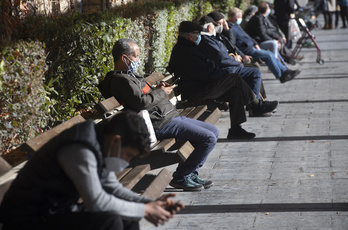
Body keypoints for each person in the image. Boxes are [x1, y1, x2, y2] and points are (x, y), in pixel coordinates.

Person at [0, 111, 184, 230]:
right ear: (116, 141)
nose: (127, 161)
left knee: (127, 219)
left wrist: (150, 204)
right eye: (129, 155)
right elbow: (97, 201)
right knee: (108, 221)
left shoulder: (99, 141)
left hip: (53, 211)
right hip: (27, 219)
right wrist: (145, 209)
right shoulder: (80, 148)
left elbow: (112, 186)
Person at [98, 38, 218, 191]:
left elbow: (143, 96)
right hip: (160, 124)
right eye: (136, 56)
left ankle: (191, 173)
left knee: (213, 131)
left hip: (168, 116)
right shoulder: (120, 80)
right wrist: (161, 92)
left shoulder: (128, 76)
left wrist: (157, 88)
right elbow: (141, 103)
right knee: (208, 138)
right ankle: (182, 176)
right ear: (124, 58)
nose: (139, 60)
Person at [168, 21, 278, 139]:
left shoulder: (189, 48)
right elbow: (207, 74)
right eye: (197, 33)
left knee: (235, 91)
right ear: (189, 36)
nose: (199, 36)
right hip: (196, 92)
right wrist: (224, 74)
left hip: (201, 86)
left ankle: (236, 129)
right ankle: (255, 105)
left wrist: (219, 72)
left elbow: (209, 68)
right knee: (234, 78)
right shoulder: (185, 52)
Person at [225, 7, 301, 83]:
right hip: (247, 49)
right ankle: (281, 76)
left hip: (252, 46)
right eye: (239, 17)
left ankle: (285, 71)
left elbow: (247, 36)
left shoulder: (236, 26)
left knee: (270, 54)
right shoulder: (231, 29)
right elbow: (233, 44)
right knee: (268, 56)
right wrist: (243, 55)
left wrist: (255, 43)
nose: (240, 18)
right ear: (234, 17)